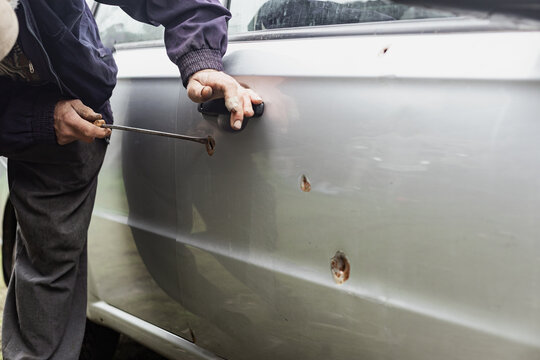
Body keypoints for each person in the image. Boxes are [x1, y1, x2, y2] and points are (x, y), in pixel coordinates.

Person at [0, 0, 262, 359]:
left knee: (51, 256)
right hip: (28, 121)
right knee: (47, 263)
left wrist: (200, 58)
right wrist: (39, 119)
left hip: (77, 97)